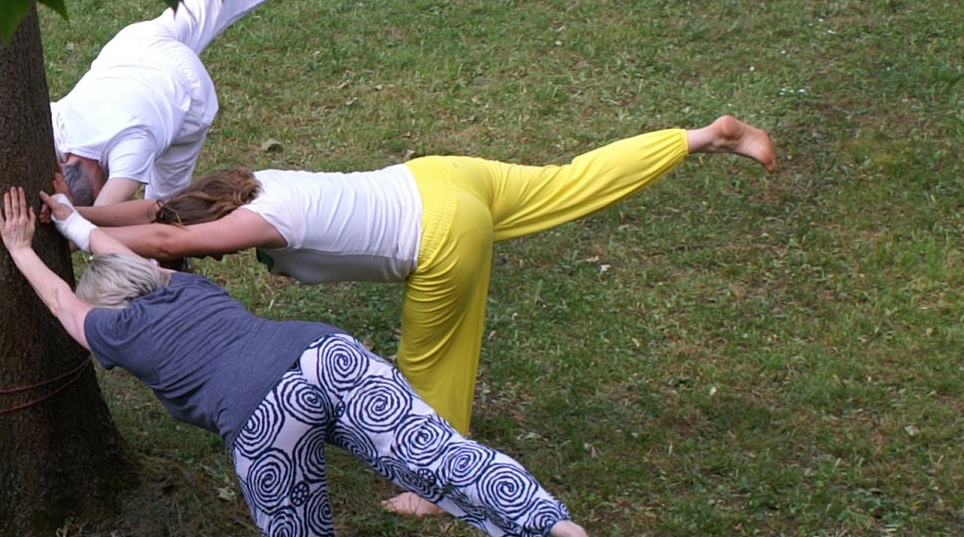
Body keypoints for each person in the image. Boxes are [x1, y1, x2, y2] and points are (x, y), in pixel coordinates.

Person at [0, 187, 610, 537]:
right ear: (150, 276)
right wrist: (73, 222)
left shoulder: (113, 327)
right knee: (439, 452)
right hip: (324, 352)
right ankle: (562, 530)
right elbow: (115, 252)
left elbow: (59, 301)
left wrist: (24, 249)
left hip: (264, 415)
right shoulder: (184, 287)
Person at [67, 117, 778, 440]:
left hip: (439, 236)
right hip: (438, 176)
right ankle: (706, 137)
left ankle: (434, 485)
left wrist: (67, 232)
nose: (214, 257)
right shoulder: (255, 185)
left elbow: (162, 232)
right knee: (570, 181)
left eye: (211, 251)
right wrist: (70, 209)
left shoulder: (262, 224)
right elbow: (158, 210)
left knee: (432, 360)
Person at [49, 0, 279, 210]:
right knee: (193, 10)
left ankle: (167, 246)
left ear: (98, 187)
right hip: (135, 48)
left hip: (186, 87)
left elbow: (98, 218)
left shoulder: (130, 151)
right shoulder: (56, 123)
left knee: (165, 204)